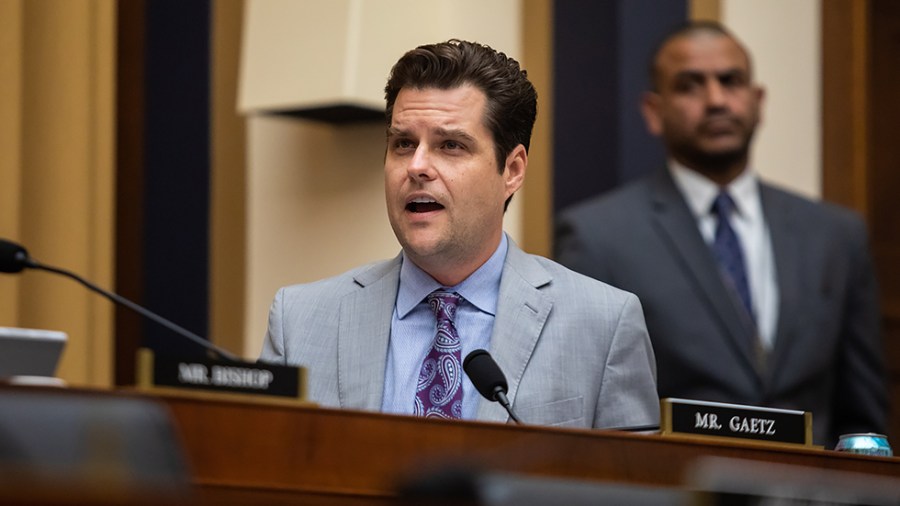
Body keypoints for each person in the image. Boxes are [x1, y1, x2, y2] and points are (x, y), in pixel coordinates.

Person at [260, 40, 659, 430]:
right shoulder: (299, 320)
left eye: (450, 145)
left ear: (513, 169)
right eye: (402, 144)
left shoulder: (604, 323)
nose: (416, 166)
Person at [555, 22, 888, 446]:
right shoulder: (597, 236)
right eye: (690, 85)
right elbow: (585, 415)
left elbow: (863, 421)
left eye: (730, 81)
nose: (716, 100)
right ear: (653, 112)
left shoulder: (836, 236)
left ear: (758, 100)